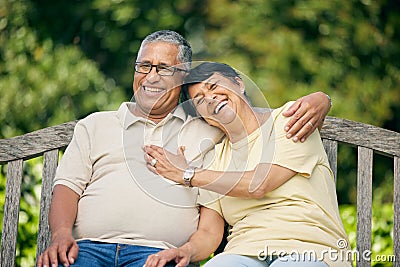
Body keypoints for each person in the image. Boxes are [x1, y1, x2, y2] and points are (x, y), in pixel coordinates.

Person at [37, 30, 332, 267]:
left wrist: (322, 98)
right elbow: (67, 186)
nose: (151, 76)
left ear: (181, 80)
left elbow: (253, 181)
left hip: (156, 255)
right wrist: (61, 234)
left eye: (164, 68)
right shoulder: (97, 125)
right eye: (144, 66)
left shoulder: (210, 134)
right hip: (86, 250)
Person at [144, 62, 351, 267]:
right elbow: (209, 231)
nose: (210, 98)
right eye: (199, 100)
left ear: (239, 84)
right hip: (242, 253)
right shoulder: (214, 159)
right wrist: (184, 251)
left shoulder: (288, 120)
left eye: (214, 86)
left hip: (309, 249)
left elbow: (258, 184)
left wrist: (187, 174)